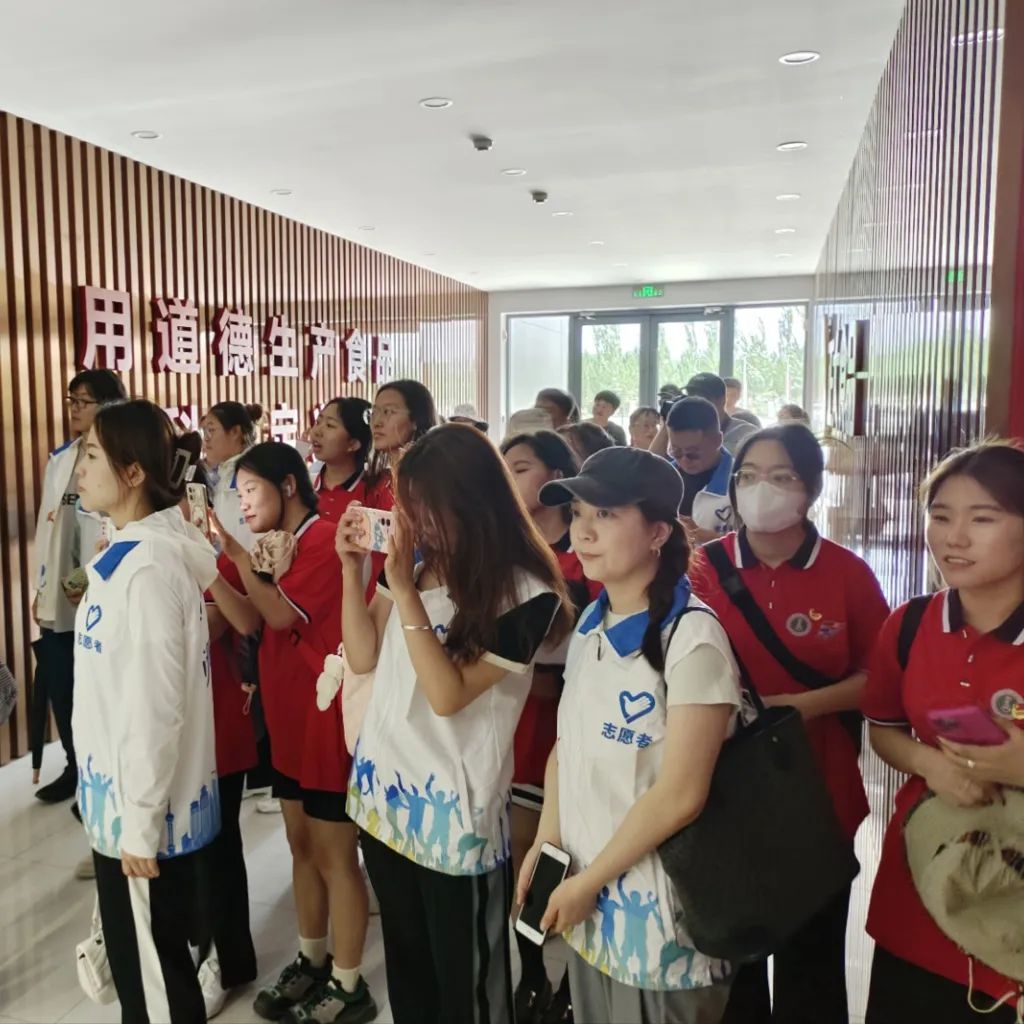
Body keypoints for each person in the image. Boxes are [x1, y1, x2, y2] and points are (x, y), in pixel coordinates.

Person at [336, 424, 573, 1024]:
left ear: (471, 500)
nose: (414, 520)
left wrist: (404, 592)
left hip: (455, 819)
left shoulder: (527, 593)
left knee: (467, 987)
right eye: (407, 504)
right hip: (385, 801)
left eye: (425, 506)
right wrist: (351, 570)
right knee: (408, 967)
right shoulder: (413, 565)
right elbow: (361, 657)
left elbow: (447, 695)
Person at [524, 446, 742, 1024]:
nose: (583, 531)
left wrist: (589, 882)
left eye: (606, 514)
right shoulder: (591, 623)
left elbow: (682, 794)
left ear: (657, 533)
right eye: (577, 514)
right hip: (589, 907)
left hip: (663, 927)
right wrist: (547, 844)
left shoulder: (691, 639)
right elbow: (568, 746)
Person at [690, 423, 890, 1024]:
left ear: (811, 489)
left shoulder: (848, 574)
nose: (762, 490)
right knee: (735, 968)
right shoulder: (700, 569)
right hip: (723, 793)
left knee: (813, 965)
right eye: (748, 476)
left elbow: (880, 679)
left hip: (819, 792)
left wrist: (800, 707)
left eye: (781, 477)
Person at [209, 443, 376, 1024]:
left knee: (335, 855)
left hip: (326, 719)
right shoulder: (272, 545)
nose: (242, 504)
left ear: (287, 486)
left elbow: (280, 615)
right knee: (300, 844)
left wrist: (231, 552)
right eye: (237, 494)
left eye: (250, 490)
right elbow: (247, 617)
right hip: (287, 720)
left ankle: (349, 984)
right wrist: (212, 561)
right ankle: (311, 958)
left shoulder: (326, 539)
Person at [863, 442, 1024, 1024]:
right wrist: (929, 764)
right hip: (920, 892)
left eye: (983, 519)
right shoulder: (909, 623)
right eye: (940, 515)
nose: (954, 538)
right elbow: (883, 729)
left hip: (1012, 909)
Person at [71, 399, 219, 1023]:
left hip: (146, 819)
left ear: (133, 473)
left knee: (157, 987)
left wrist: (137, 827)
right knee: (144, 975)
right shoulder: (133, 554)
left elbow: (156, 711)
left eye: (92, 455)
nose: (80, 469)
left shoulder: (151, 570)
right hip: (127, 806)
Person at [501, 430, 603, 1023]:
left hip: (576, 727)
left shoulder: (588, 558)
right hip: (520, 727)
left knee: (581, 854)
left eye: (520, 467)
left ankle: (574, 985)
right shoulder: (503, 550)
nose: (508, 478)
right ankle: (535, 975)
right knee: (527, 856)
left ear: (558, 479)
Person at [166, 436, 260, 1020]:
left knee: (217, 849)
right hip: (169, 725)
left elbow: (217, 626)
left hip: (217, 722)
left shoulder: (216, 556)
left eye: (183, 498)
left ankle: (227, 960)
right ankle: (201, 952)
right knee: (185, 851)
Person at [30, 368, 125, 805]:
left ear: (110, 405)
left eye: (83, 401)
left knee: (100, 691)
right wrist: (41, 587)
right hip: (60, 595)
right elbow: (48, 530)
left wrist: (89, 576)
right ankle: (75, 766)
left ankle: (103, 775)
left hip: (101, 591)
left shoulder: (122, 457)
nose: (74, 408)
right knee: (62, 686)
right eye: (72, 400)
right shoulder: (62, 458)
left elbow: (121, 528)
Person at [665, 397, 734, 546]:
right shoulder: (662, 478)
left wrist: (711, 539)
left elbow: (759, 546)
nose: (684, 460)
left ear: (717, 440)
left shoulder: (740, 482)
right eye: (676, 452)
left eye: (692, 454)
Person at [202, 402, 265, 550]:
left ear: (235, 432)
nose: (206, 439)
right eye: (204, 431)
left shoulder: (259, 475)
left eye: (211, 430)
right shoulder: (224, 475)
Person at [309, 397, 373, 523]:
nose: (316, 431)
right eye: (318, 422)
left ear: (353, 444)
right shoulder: (306, 488)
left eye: (330, 425)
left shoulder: (373, 493)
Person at [682, 373, 757, 453]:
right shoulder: (682, 433)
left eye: (703, 398)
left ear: (722, 400)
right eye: (690, 396)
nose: (695, 403)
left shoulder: (746, 434)